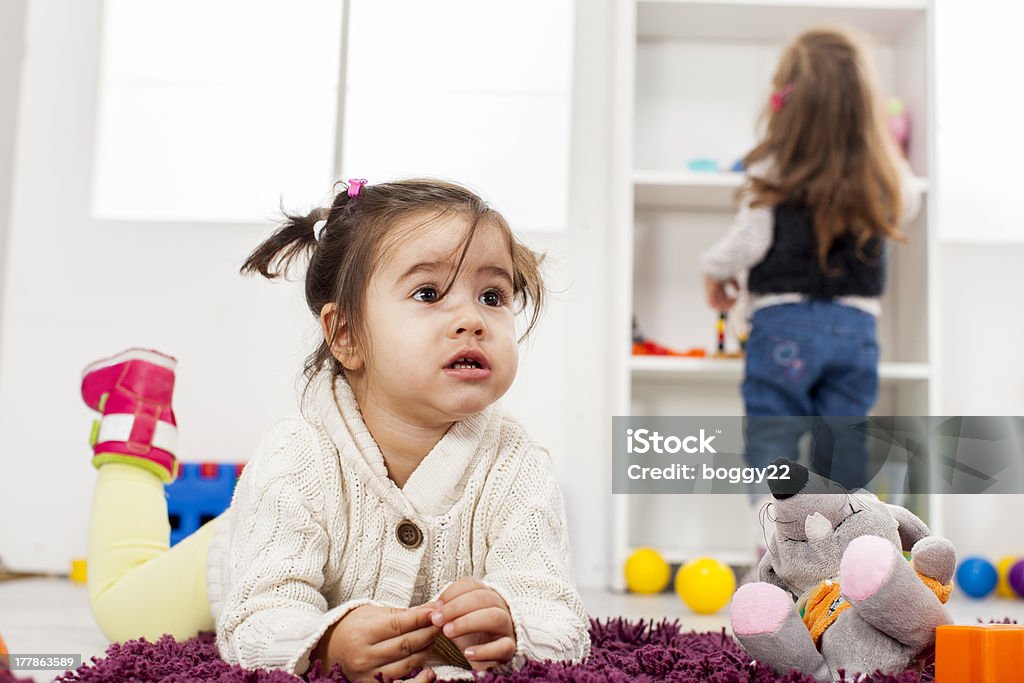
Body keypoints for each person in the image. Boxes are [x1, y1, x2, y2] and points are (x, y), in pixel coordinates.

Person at [81, 178, 590, 682]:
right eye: (429, 292)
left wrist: (516, 624)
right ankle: (132, 428)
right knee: (125, 612)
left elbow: (559, 616)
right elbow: (256, 618)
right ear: (346, 336)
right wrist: (325, 641)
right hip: (250, 550)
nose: (472, 320)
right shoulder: (296, 456)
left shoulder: (519, 466)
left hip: (301, 534)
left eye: (493, 296)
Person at [700, 28, 922, 495]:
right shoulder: (882, 173)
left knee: (773, 438)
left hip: (783, 324)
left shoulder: (772, 166)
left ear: (787, 103)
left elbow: (749, 240)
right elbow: (907, 204)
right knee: (843, 444)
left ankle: (772, 541)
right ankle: (840, 553)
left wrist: (714, 270)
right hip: (854, 327)